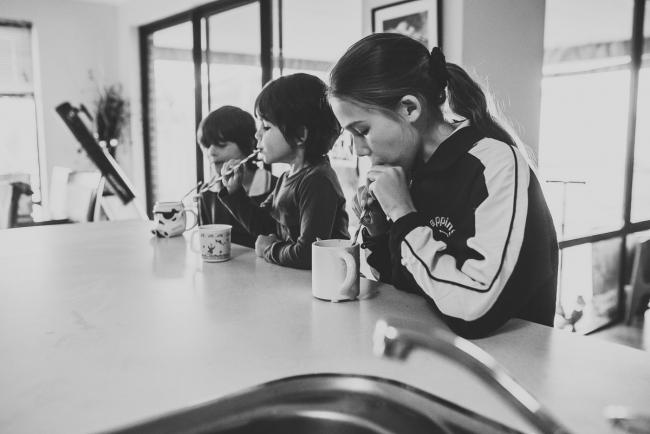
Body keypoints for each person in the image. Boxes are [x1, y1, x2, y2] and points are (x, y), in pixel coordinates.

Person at [329, 33, 558, 338]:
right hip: (433, 348)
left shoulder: (496, 163)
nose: (358, 150)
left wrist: (404, 214)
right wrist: (381, 230)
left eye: (362, 130)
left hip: (509, 362)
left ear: (409, 108)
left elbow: (474, 309)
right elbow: (406, 285)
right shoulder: (410, 171)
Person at [218, 73, 349, 270]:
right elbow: (265, 227)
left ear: (300, 135)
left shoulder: (317, 182)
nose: (257, 134)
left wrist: (270, 250)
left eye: (266, 126)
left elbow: (308, 255)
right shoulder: (288, 178)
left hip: (327, 285)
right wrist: (235, 192)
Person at [196, 105, 275, 248]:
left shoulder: (275, 187)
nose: (211, 152)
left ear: (248, 144)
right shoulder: (207, 192)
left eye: (221, 144)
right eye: (207, 146)